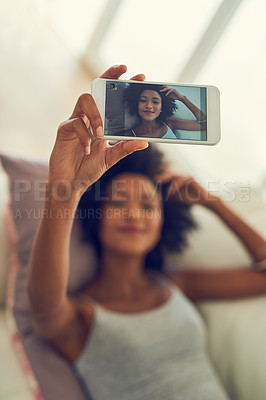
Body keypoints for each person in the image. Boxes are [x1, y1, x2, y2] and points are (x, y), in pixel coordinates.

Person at [27, 65, 266, 400]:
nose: (133, 214)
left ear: (162, 225)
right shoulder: (80, 314)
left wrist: (214, 204)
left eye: (148, 206)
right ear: (98, 217)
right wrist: (65, 188)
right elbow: (43, 308)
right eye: (119, 202)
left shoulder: (178, 285)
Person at [118, 80, 207, 139]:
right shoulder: (127, 135)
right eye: (143, 100)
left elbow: (206, 125)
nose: (149, 105)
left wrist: (183, 99)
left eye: (155, 102)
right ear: (135, 104)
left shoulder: (170, 124)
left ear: (162, 107)